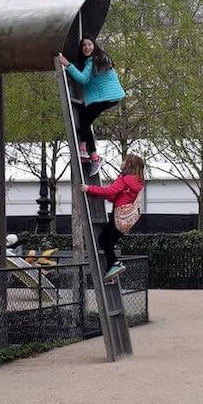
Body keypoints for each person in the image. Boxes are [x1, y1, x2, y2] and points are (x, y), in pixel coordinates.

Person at [57, 38, 125, 174]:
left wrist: (67, 64)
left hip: (107, 97)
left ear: (94, 46)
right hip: (111, 96)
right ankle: (83, 149)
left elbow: (83, 79)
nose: (87, 47)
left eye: (89, 45)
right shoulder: (100, 58)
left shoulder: (93, 60)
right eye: (84, 46)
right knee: (84, 118)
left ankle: (94, 157)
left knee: (84, 119)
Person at [83, 153, 145, 282]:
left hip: (118, 215)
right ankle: (110, 273)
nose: (121, 162)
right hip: (128, 219)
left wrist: (89, 188)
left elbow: (110, 191)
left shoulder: (124, 179)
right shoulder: (137, 181)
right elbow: (115, 195)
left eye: (124, 160)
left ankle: (115, 264)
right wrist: (100, 194)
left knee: (103, 241)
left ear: (128, 164)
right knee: (109, 243)